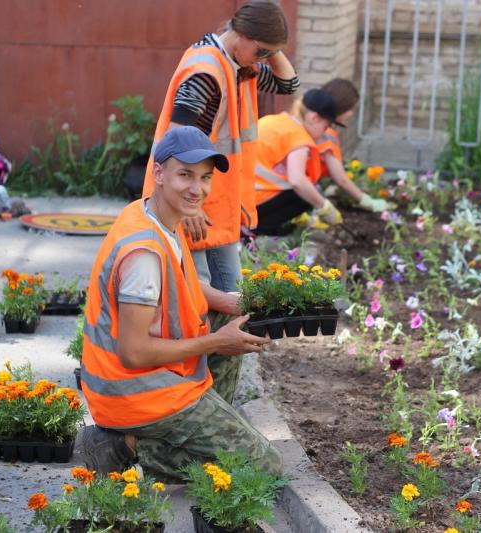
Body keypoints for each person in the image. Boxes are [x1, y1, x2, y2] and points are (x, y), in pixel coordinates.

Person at [80, 127, 280, 481]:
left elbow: (181, 284)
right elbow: (134, 353)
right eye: (185, 175)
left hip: (152, 378)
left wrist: (233, 302)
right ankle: (126, 449)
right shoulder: (142, 254)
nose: (197, 188)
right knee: (264, 468)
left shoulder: (152, 215)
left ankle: (202, 429)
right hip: (134, 389)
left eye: (205, 178)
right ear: (158, 174)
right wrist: (218, 342)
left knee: (239, 327)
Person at [140, 0, 298, 406]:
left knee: (230, 302)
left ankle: (218, 397)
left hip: (218, 208)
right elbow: (178, 148)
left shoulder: (237, 64)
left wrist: (270, 46)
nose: (264, 60)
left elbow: (287, 85)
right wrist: (188, 209)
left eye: (267, 53)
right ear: (241, 36)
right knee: (193, 307)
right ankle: (191, 398)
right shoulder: (208, 73)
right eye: (261, 50)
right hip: (191, 208)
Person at [253, 89, 345, 236]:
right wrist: (324, 207)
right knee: (307, 193)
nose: (325, 132)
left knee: (306, 190)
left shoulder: (277, 120)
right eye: (326, 127)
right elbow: (297, 181)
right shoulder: (299, 137)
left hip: (235, 196)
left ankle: (261, 225)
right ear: (314, 118)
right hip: (249, 203)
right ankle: (258, 229)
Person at [316, 78, 389, 214]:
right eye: (350, 108)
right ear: (340, 107)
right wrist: (366, 201)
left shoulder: (310, 122)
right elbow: (340, 179)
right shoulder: (325, 134)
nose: (351, 113)